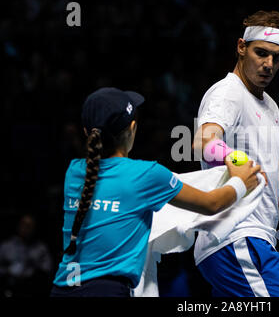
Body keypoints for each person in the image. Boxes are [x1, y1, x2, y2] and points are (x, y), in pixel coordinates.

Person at [50, 87, 260, 297]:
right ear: (132, 128)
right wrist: (241, 182)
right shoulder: (147, 175)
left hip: (62, 288)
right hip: (107, 291)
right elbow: (211, 204)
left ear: (87, 132)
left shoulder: (74, 172)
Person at [192, 10, 279, 297]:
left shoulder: (271, 107)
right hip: (235, 235)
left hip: (256, 238)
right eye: (261, 53)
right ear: (241, 47)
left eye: (277, 57)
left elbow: (276, 181)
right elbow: (203, 142)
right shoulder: (227, 93)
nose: (268, 64)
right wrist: (242, 162)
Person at [0, 214, 53, 297]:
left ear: (34, 228)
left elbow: (46, 270)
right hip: (9, 288)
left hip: (32, 289)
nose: (26, 228)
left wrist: (33, 273)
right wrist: (8, 271)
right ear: (18, 226)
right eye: (24, 224)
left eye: (30, 226)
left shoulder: (41, 248)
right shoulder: (6, 246)